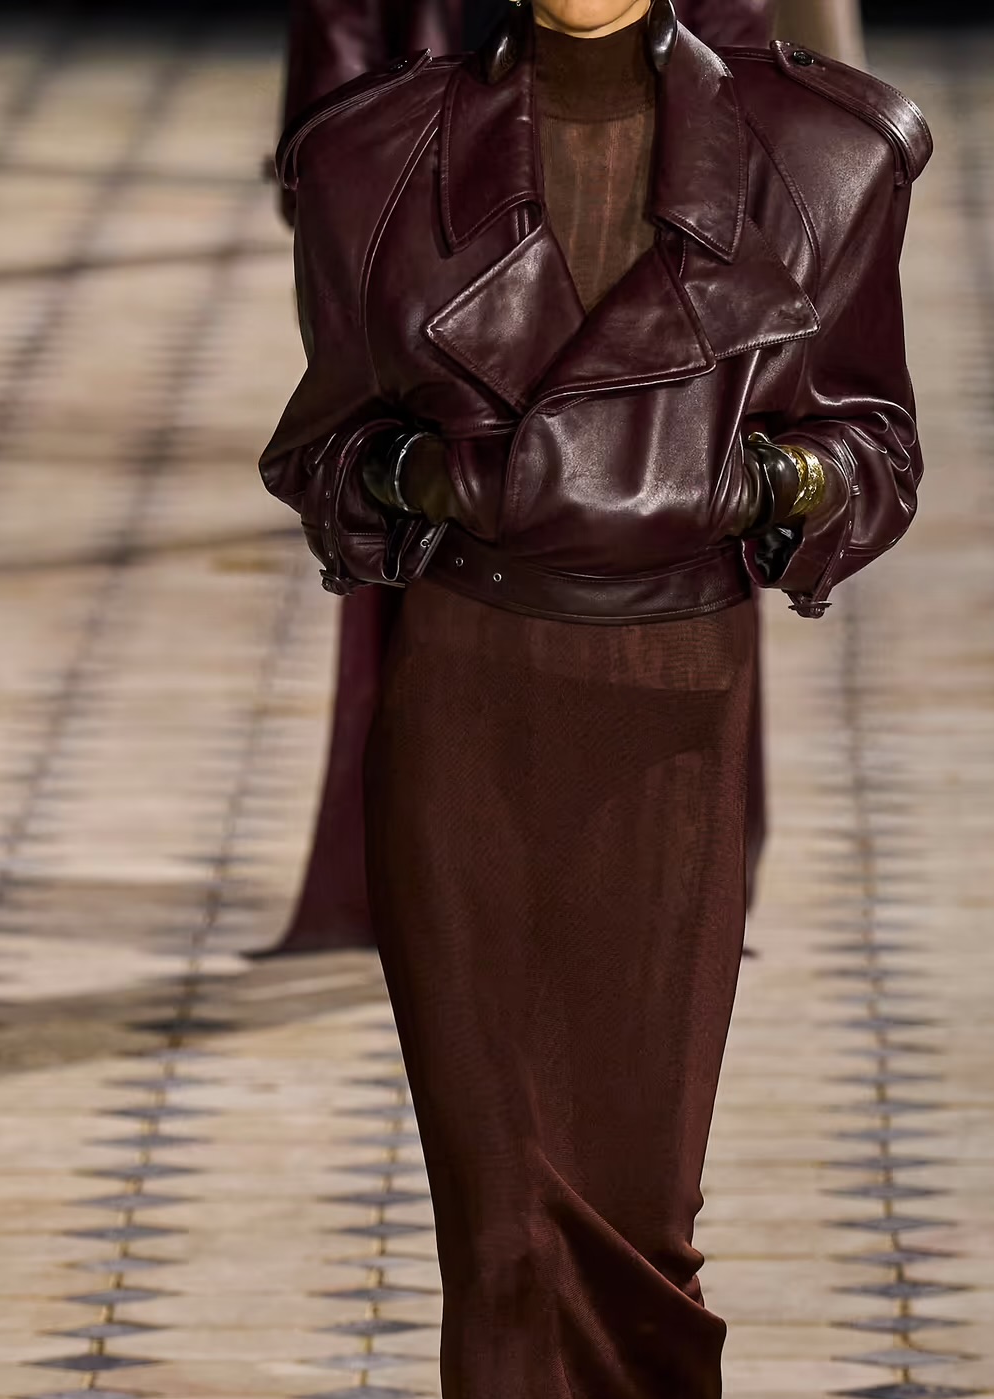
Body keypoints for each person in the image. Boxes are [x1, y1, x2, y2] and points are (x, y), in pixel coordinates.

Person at [262, 0, 928, 1399]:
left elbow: (875, 447)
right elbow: (325, 453)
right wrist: (436, 485)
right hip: (467, 710)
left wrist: (744, 490)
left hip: (670, 712)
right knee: (506, 1246)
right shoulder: (381, 151)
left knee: (632, 1237)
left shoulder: (822, 151)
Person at [268, 0, 837, 956]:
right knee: (449, 575)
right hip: (443, 188)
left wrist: (737, 172)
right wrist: (350, 171)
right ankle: (470, 887)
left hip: (650, 175)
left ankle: (649, 887)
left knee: (654, 529)